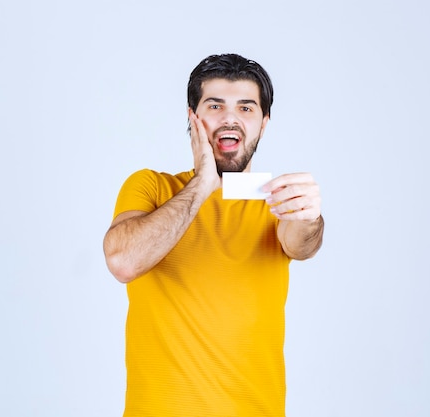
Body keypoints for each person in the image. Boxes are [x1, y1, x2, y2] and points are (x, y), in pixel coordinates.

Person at [103, 53, 324, 417]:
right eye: (215, 105)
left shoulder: (279, 199)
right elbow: (123, 261)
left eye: (246, 108)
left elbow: (302, 244)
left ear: (263, 124)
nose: (230, 118)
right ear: (193, 118)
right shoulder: (151, 187)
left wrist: (311, 218)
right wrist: (204, 184)